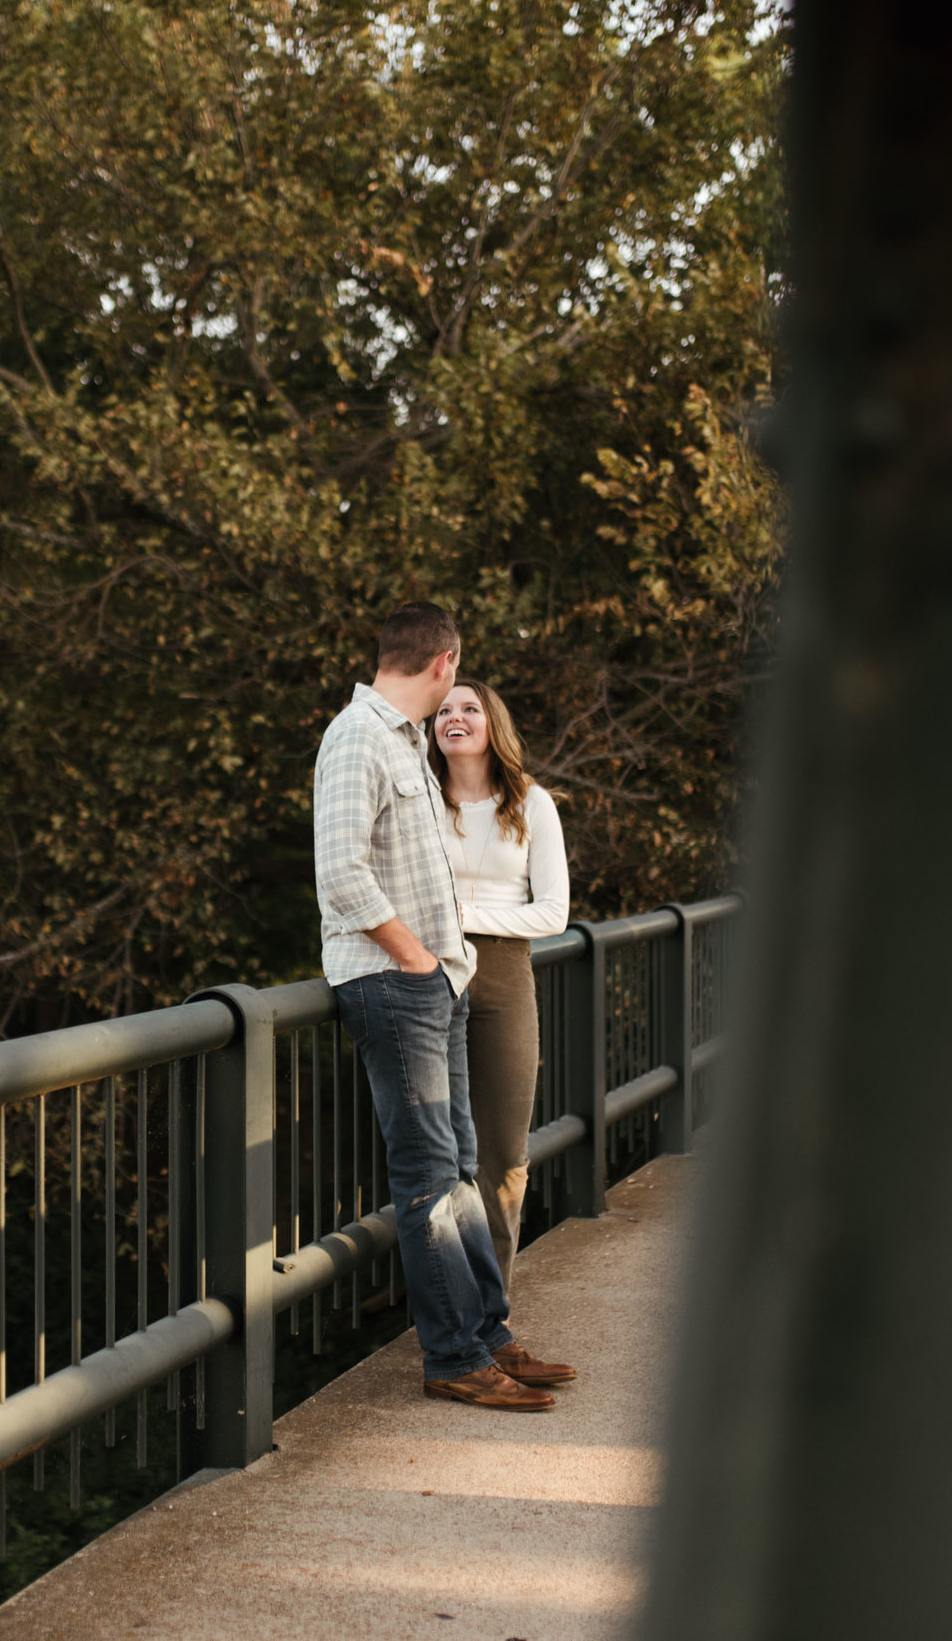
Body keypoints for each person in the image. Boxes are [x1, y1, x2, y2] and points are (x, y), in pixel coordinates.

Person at [312, 602, 573, 1412]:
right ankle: (453, 1356)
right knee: (428, 1176)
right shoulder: (358, 736)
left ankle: (488, 1333)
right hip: (398, 983)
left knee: (460, 1168)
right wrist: (421, 958)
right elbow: (342, 876)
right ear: (446, 663)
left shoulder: (403, 743)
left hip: (439, 984)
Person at [429, 681, 572, 1298]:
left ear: (494, 727)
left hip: (504, 977)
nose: (454, 718)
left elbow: (554, 914)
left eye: (469, 709)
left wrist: (466, 916)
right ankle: (446, 1308)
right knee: (439, 1156)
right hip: (428, 975)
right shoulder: (421, 801)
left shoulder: (532, 804)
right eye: (443, 711)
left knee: (504, 1154)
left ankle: (494, 1305)